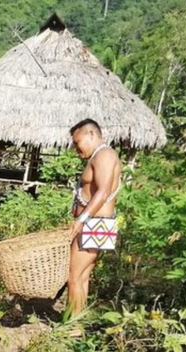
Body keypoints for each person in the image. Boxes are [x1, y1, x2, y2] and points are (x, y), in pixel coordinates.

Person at [67, 119, 122, 318]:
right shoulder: (99, 156)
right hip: (95, 222)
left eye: (77, 142)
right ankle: (76, 321)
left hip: (95, 222)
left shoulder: (104, 155)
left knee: (73, 275)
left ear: (91, 134)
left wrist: (82, 219)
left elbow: (103, 192)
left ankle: (71, 324)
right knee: (81, 276)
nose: (75, 147)